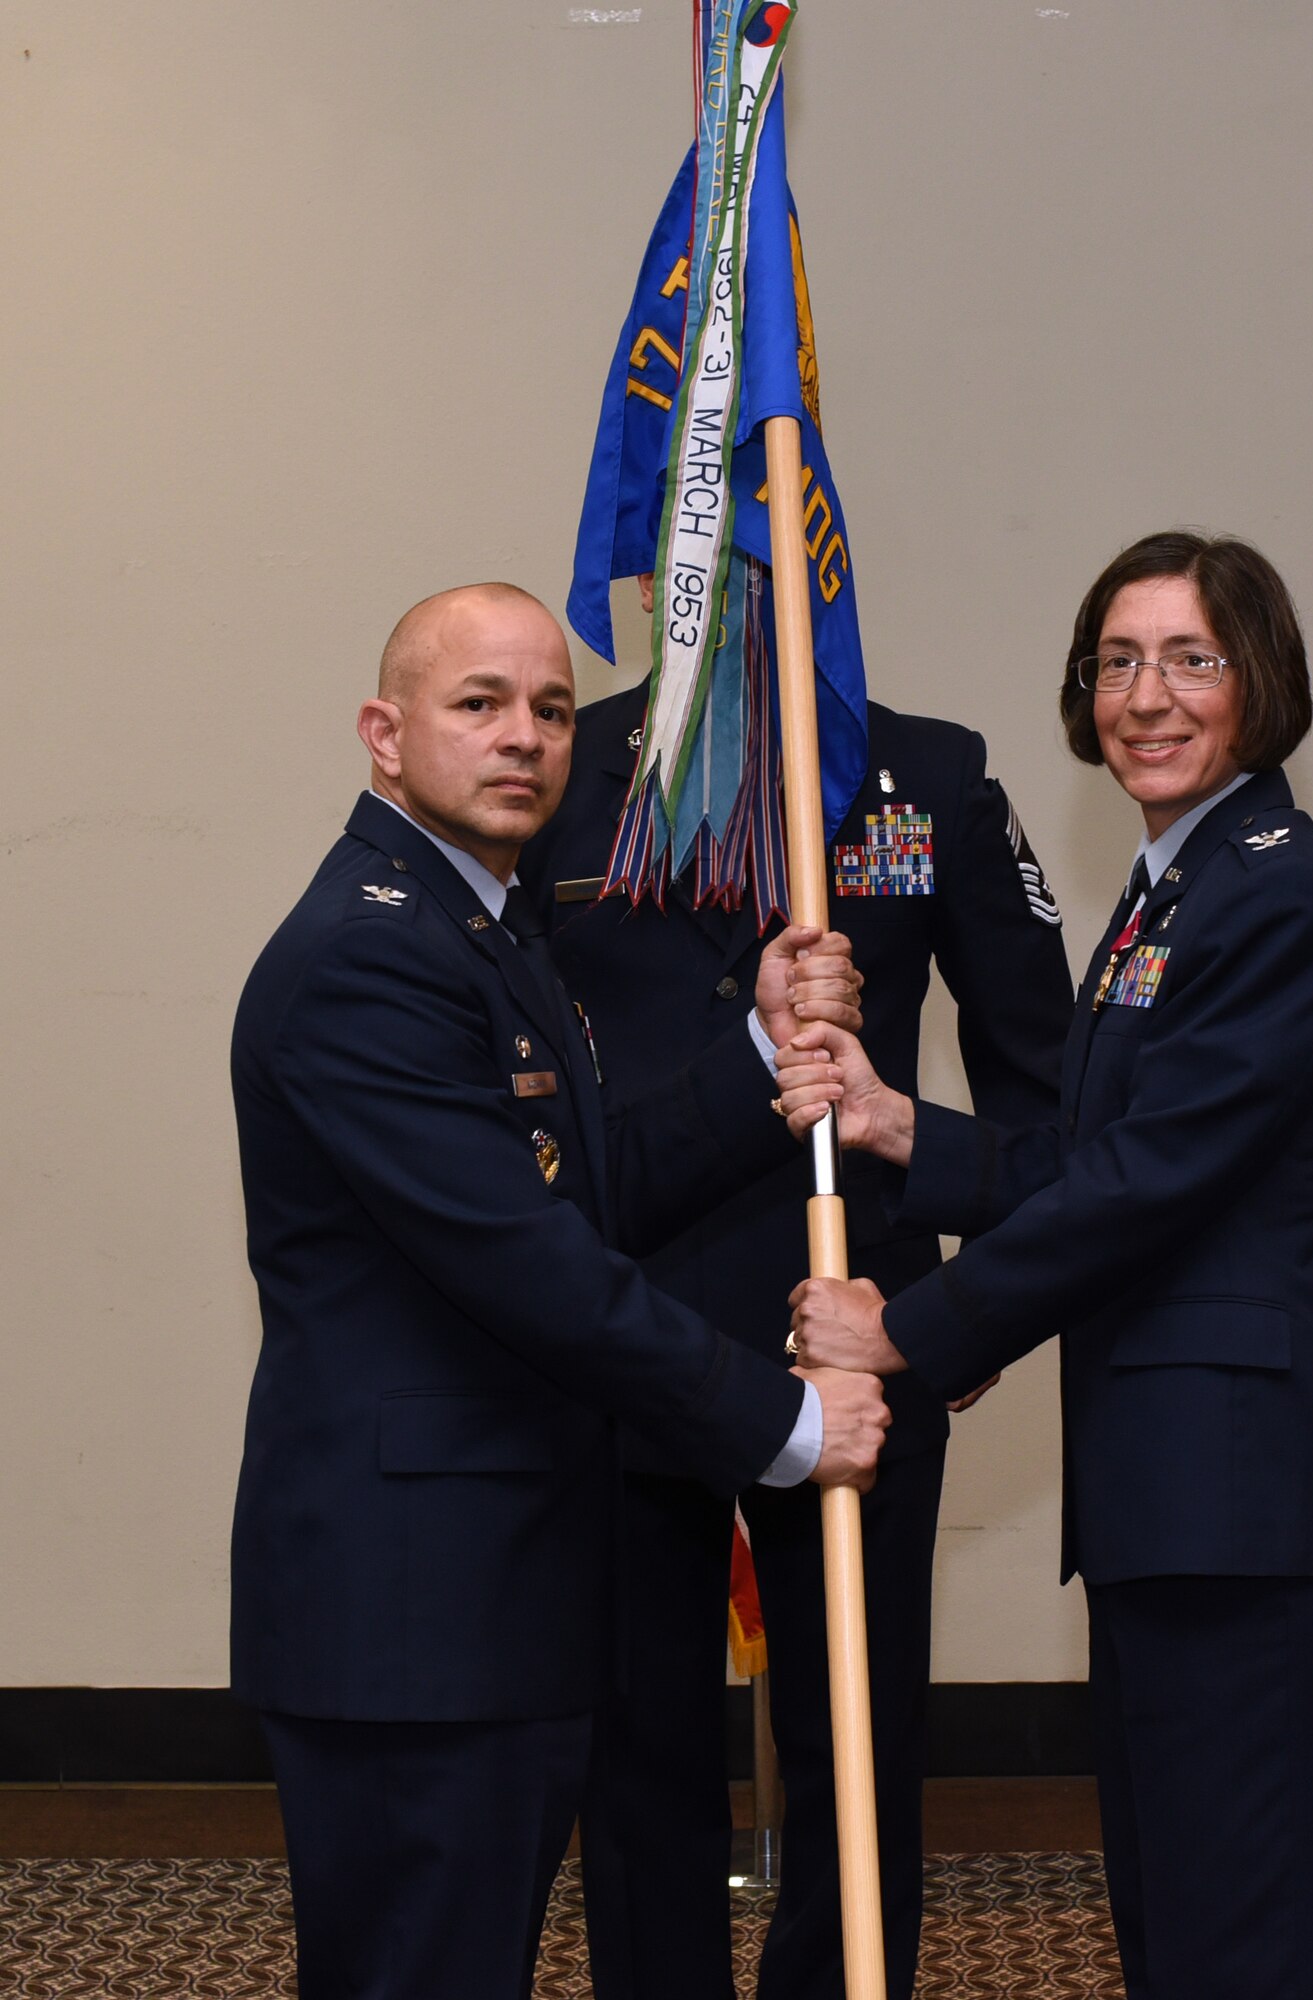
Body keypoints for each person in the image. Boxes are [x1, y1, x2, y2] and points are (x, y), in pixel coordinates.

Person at [228, 581, 892, 2000]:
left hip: (492, 1606)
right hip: (410, 1620)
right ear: (384, 735)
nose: (525, 738)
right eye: (478, 705)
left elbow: (572, 1191)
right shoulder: (369, 958)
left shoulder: (484, 931)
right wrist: (784, 1422)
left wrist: (763, 1056)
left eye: (546, 708)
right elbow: (534, 1271)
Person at [784, 532, 1313, 2000]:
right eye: (1117, 661)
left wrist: (907, 1328)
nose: (1147, 696)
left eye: (1191, 658)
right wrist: (896, 1129)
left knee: (1253, 1939)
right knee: (1187, 1923)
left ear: (1261, 682)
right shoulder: (1168, 891)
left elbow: (1146, 1187)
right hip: (1179, 1501)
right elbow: (1095, 1155)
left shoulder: (1273, 896)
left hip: (1255, 1508)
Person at [515, 583, 1075, 2000]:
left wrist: (983, 1296)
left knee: (860, 1734)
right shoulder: (570, 768)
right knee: (637, 1742)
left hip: (856, 1326)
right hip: (630, 1327)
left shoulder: (925, 776)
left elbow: (1053, 1099)